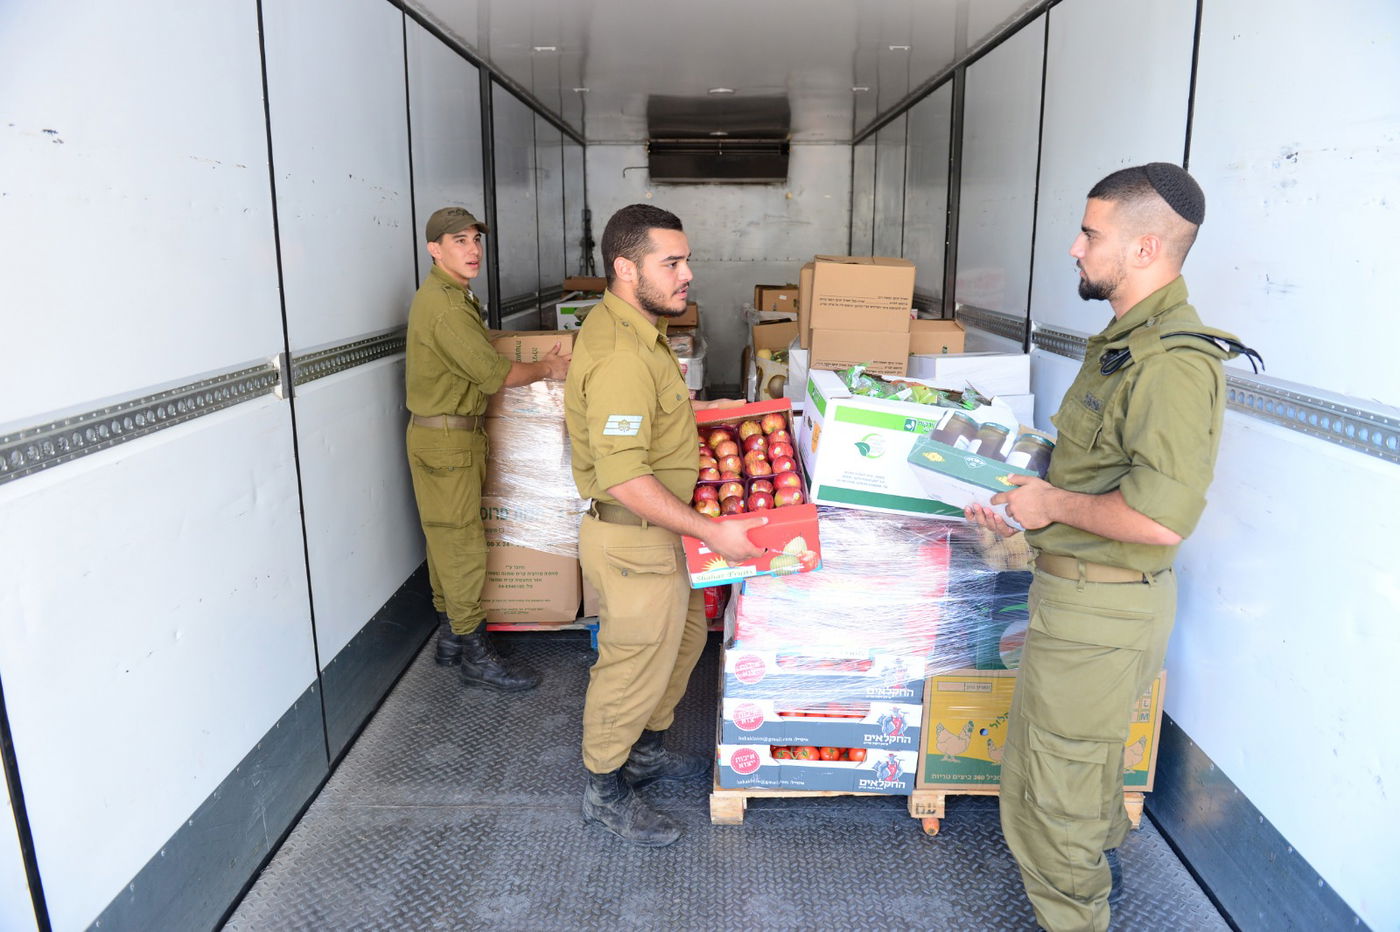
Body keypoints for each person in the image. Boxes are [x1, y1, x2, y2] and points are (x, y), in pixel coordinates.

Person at [965, 164, 1257, 931]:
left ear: (1145, 247)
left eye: (1090, 234)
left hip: (1100, 609)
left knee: (1051, 792)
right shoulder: (1126, 344)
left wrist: (1050, 505)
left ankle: (1076, 912)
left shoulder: (1172, 364)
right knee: (1073, 766)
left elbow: (1160, 520)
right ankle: (1094, 869)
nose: (1074, 247)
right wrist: (1028, 506)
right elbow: (1097, 474)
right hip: (1080, 599)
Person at [564, 203, 767, 847]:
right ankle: (604, 787)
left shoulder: (640, 332)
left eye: (687, 261)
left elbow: (651, 424)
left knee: (681, 644)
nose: (687, 275)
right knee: (632, 665)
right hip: (633, 537)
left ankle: (644, 756)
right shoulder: (621, 354)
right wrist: (711, 532)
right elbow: (625, 476)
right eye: (671, 263)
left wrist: (715, 412)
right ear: (626, 268)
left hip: (660, 535)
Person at [405, 206, 570, 692]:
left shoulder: (455, 297)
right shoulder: (445, 307)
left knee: (446, 539)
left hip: (449, 436)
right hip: (448, 441)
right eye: (459, 240)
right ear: (434, 249)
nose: (473, 249)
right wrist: (549, 368)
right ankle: (476, 655)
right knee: (461, 544)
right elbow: (496, 375)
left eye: (476, 239)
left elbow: (481, 348)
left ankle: (451, 639)